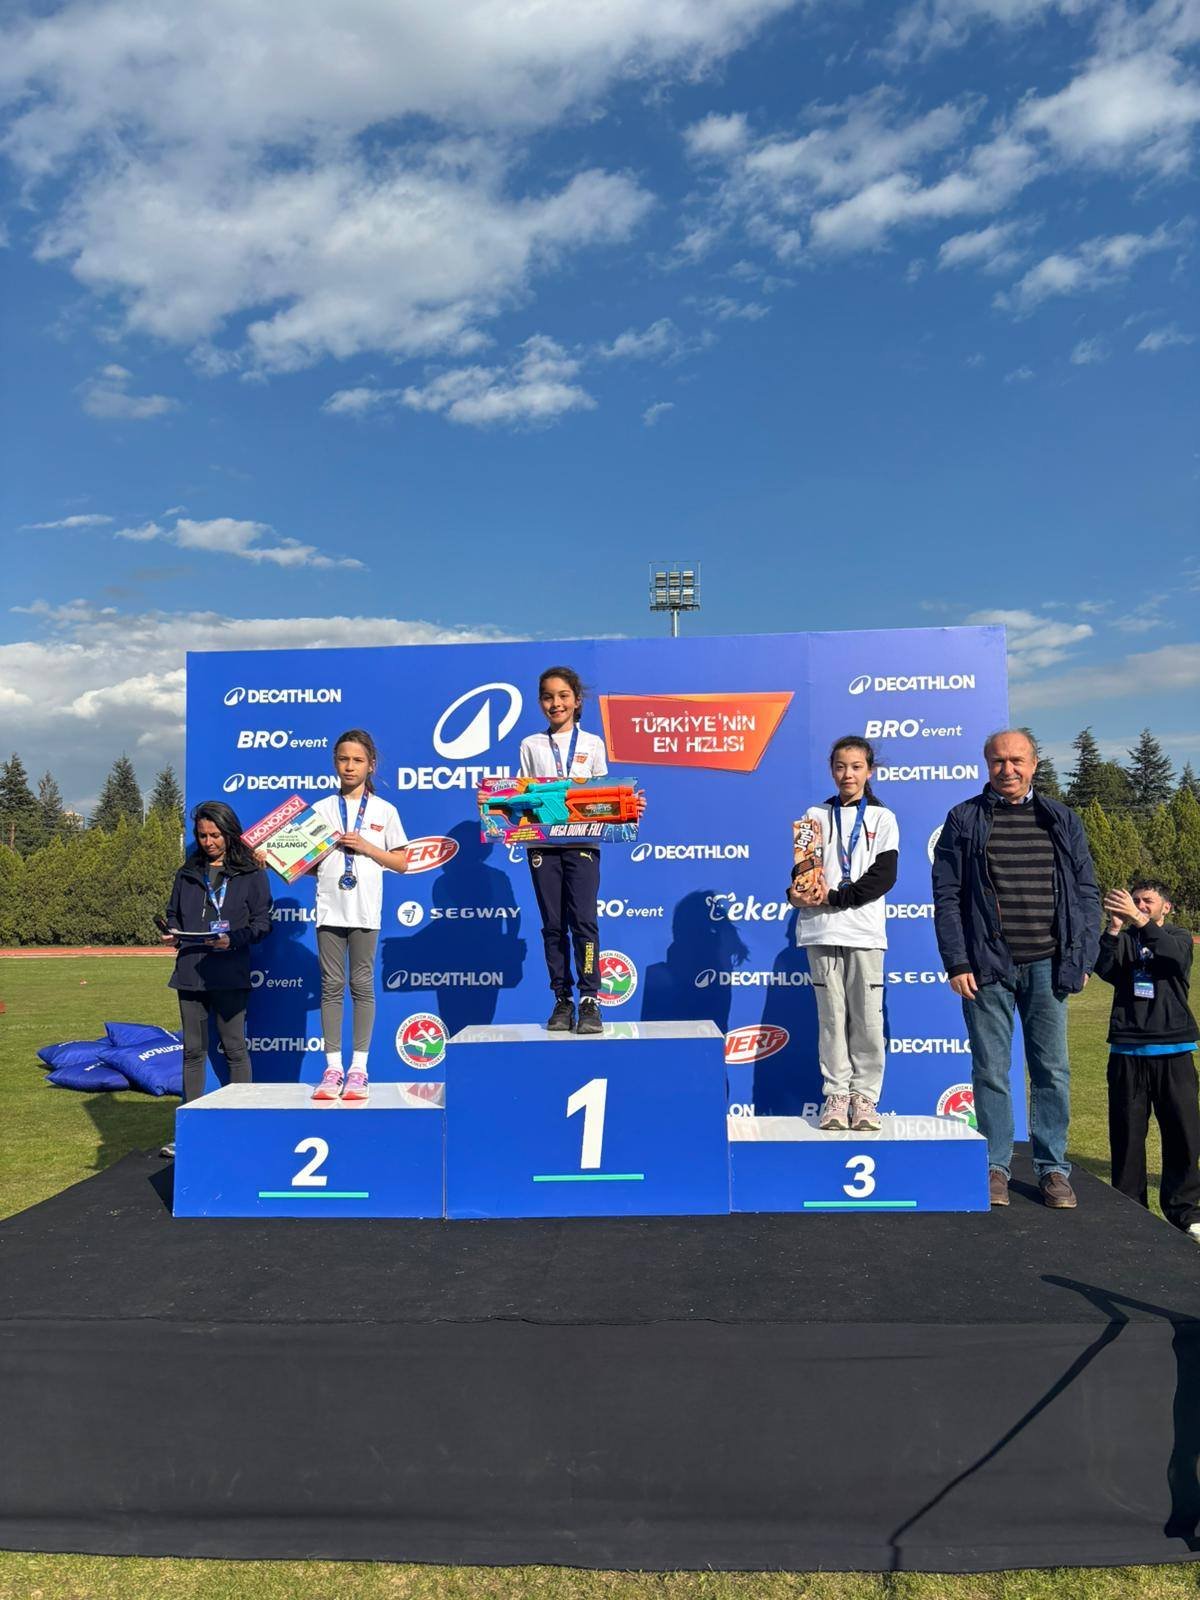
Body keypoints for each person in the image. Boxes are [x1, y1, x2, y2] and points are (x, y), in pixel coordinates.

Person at [932, 729, 1100, 1210]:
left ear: (1034, 763)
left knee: (1052, 1071)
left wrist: (1082, 957)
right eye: (998, 761)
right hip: (987, 966)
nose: (1008, 769)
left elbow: (1086, 892)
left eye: (1017, 760)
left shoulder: (1061, 818)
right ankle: (995, 1167)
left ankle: (1053, 1169)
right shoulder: (963, 819)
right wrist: (957, 960)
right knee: (990, 1071)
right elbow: (947, 897)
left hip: (1049, 964)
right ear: (987, 764)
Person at [787, 735, 899, 1131]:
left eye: (855, 767)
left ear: (869, 771)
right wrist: (796, 893)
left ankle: (864, 1097)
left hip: (864, 932)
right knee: (831, 1018)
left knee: (867, 1019)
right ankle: (836, 1094)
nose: (847, 774)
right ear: (831, 770)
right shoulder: (814, 814)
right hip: (821, 930)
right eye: (840, 767)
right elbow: (803, 871)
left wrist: (836, 897)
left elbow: (883, 876)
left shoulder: (882, 818)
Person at [160, 800, 273, 1156]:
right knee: (193, 1051)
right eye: (202, 835)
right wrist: (172, 932)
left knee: (235, 1048)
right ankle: (188, 1133)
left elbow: (262, 924)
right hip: (190, 972)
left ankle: (243, 1126)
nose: (208, 842)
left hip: (229, 972)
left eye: (215, 835)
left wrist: (233, 939)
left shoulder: (251, 873)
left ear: (229, 833)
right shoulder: (187, 872)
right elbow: (173, 913)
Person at [1095, 878, 1200, 1238]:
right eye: (1135, 900)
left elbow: (1175, 958)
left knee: (1183, 1135)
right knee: (1127, 1137)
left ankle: (1185, 1211)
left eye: (1147, 901)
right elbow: (1104, 969)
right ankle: (1129, 1210)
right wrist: (1113, 927)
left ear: (1165, 907)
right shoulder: (1125, 939)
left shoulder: (1178, 936)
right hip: (1127, 1050)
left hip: (1173, 1049)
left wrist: (1140, 922)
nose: (1139, 905)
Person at [310, 729, 409, 1104]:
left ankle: (359, 1070)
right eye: (343, 759)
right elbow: (305, 865)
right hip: (330, 907)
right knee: (331, 986)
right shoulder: (321, 809)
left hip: (365, 910)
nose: (349, 766)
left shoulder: (385, 811)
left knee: (362, 985)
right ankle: (332, 1068)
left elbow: (401, 862)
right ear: (334, 763)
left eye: (357, 760)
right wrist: (275, 860)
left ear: (371, 765)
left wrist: (366, 847)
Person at [518, 666, 611, 1035]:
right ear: (540, 702)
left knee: (584, 923)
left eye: (562, 696)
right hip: (543, 845)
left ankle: (589, 999)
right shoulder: (530, 745)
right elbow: (521, 795)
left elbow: (605, 796)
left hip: (583, 843)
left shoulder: (593, 744)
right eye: (547, 697)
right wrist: (493, 802)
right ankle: (562, 998)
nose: (555, 703)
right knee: (553, 926)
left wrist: (629, 805)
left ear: (576, 700)